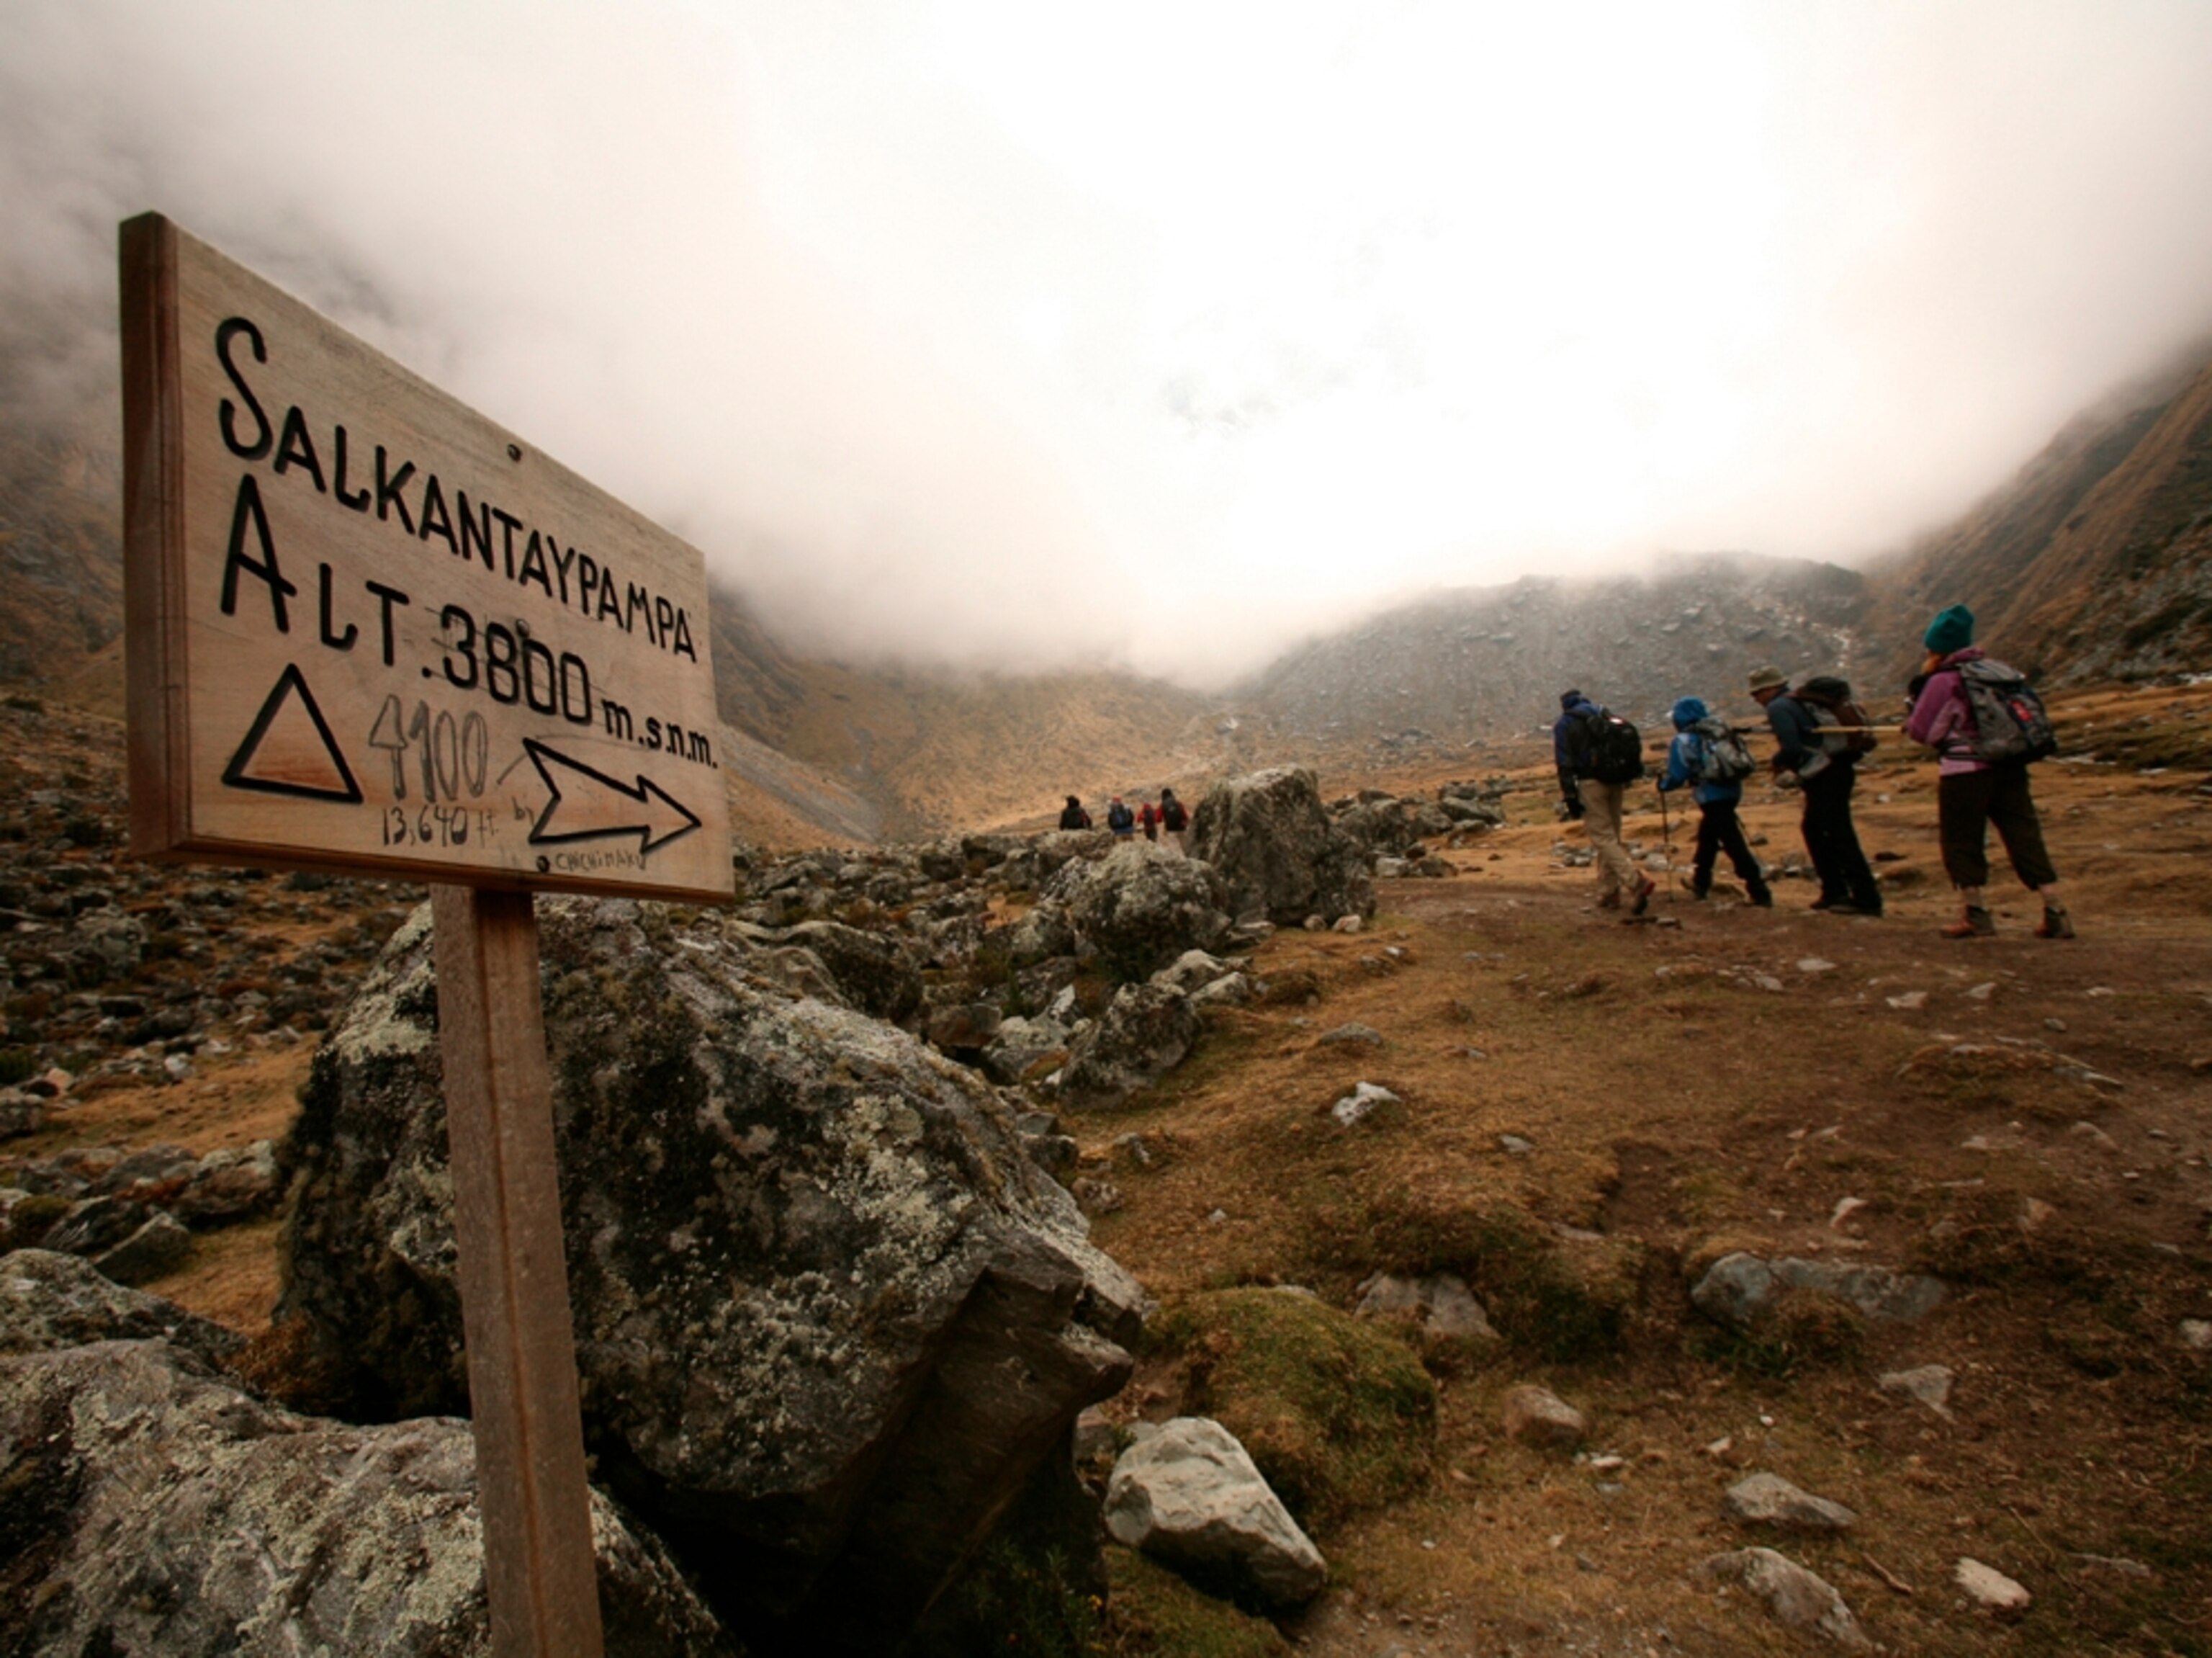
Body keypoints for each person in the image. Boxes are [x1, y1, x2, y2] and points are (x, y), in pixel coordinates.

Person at [1903, 604, 2071, 939]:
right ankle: (2056, 911)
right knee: (2024, 834)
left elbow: (1924, 732)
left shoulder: (1944, 681)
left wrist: (1912, 714)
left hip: (1965, 772)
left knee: (1962, 839)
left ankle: (1975, 913)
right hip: (2010, 765)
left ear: (1936, 647)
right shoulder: (1999, 672)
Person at [1748, 665, 1881, 916]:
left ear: (1769, 689)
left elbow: (1792, 747)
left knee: (1836, 832)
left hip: (1824, 774)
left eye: (1757, 694)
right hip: (1837, 769)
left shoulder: (1779, 707)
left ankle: (1865, 897)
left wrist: (1777, 763)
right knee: (1820, 829)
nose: (1756, 700)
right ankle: (1834, 891)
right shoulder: (1798, 701)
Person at [1657, 696, 1773, 906]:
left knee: (1732, 841)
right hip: (1731, 791)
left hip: (1709, 794)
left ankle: (1758, 889)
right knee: (1708, 838)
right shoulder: (1719, 732)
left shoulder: (1684, 740)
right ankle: (1701, 882)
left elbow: (1678, 773)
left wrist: (1664, 786)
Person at [1552, 689, 1655, 914]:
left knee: (1602, 837)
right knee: (1612, 837)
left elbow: (1564, 762)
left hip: (1591, 783)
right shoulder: (1603, 714)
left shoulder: (1566, 723)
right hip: (1615, 781)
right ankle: (1609, 892)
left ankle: (1636, 882)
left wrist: (1570, 795)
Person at [1158, 787, 1189, 853]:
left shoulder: (1162, 805)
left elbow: (1158, 819)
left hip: (1170, 829)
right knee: (1185, 847)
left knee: (1175, 849)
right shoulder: (1178, 803)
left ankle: (1180, 862)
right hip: (1181, 827)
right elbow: (1185, 816)